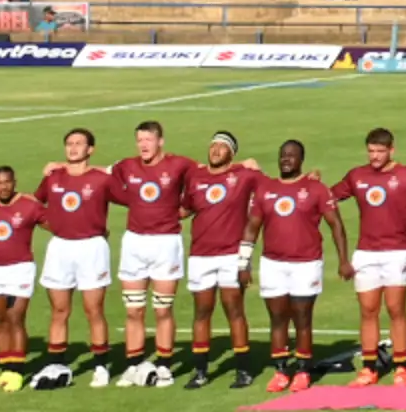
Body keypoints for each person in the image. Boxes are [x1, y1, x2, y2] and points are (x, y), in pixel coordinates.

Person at [110, 120, 199, 385]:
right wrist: (58, 167)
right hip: (134, 243)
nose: (143, 145)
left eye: (148, 140)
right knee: (133, 310)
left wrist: (186, 208)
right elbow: (100, 176)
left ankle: (164, 364)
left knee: (162, 309)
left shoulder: (180, 164)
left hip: (165, 243)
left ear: (160, 141)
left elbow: (205, 179)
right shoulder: (126, 166)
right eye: (139, 140)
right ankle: (133, 364)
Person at [340, 126, 406, 387]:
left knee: (395, 308)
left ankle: (401, 366)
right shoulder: (357, 175)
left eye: (380, 151)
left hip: (397, 250)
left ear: (392, 150)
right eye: (371, 151)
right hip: (366, 252)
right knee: (368, 311)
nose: (375, 157)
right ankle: (369, 368)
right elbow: (331, 196)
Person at [255, 138, 345, 390]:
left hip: (306, 263)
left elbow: (335, 224)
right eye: (283, 154)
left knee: (302, 317)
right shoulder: (266, 188)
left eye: (292, 155)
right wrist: (242, 261)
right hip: (272, 263)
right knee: (277, 318)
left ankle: (303, 370)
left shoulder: (316, 189)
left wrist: (343, 260)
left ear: (301, 160)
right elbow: (252, 226)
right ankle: (281, 370)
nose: (286, 159)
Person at [32, 127, 114, 387]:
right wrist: (53, 225)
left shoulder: (102, 179)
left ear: (90, 149)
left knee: (93, 309)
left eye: (79, 144)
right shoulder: (53, 177)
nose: (73, 148)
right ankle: (57, 363)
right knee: (59, 310)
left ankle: (101, 365)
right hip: (60, 248)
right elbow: (35, 205)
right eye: (69, 143)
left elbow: (127, 187)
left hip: (91, 247)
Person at [177, 132, 258, 389]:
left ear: (231, 153)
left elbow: (278, 187)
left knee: (234, 310)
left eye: (222, 146)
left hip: (231, 254)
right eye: (213, 144)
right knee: (201, 312)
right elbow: (184, 209)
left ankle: (243, 370)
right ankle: (200, 371)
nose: (215, 149)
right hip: (200, 255)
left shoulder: (244, 175)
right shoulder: (195, 177)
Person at [0, 164, 45, 388]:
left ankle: (17, 371)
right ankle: (5, 370)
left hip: (21, 268)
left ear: (14, 182)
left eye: (7, 182)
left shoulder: (29, 206)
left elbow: (55, 224)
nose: (3, 187)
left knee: (16, 318)